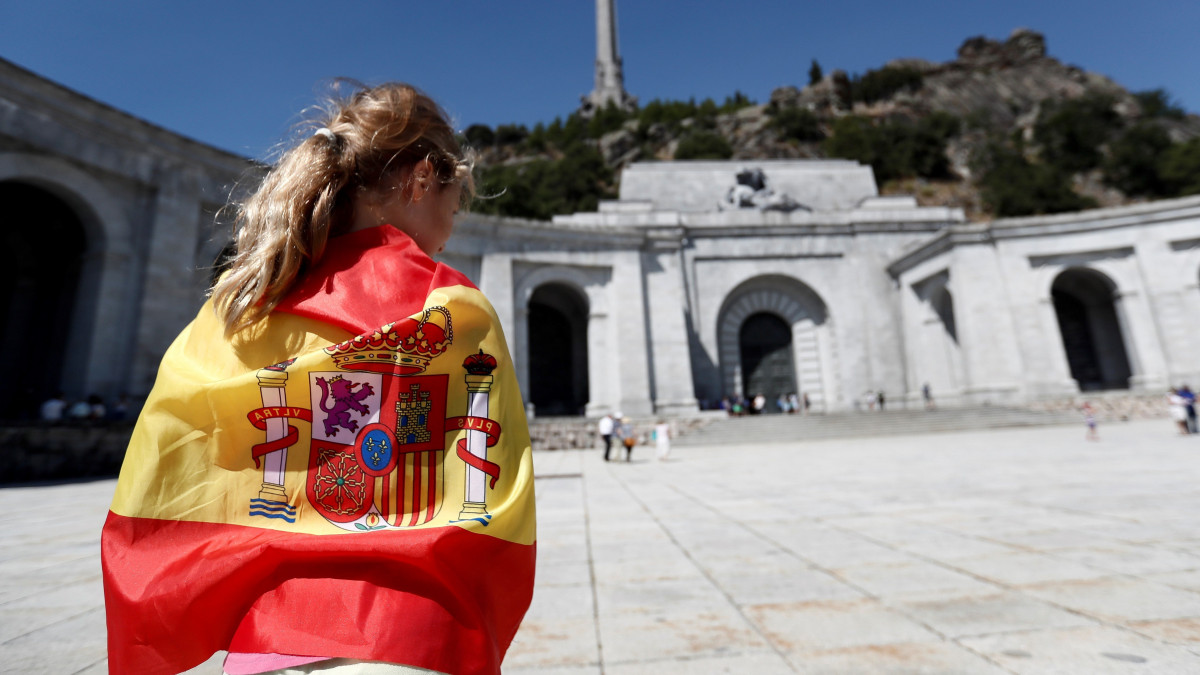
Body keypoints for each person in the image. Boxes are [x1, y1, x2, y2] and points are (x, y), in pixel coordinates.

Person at [101, 83, 535, 675]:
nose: (450, 230)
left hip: (262, 641)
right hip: (409, 633)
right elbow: (491, 491)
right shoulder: (449, 305)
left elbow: (172, 450)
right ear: (422, 179)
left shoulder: (241, 305)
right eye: (453, 208)